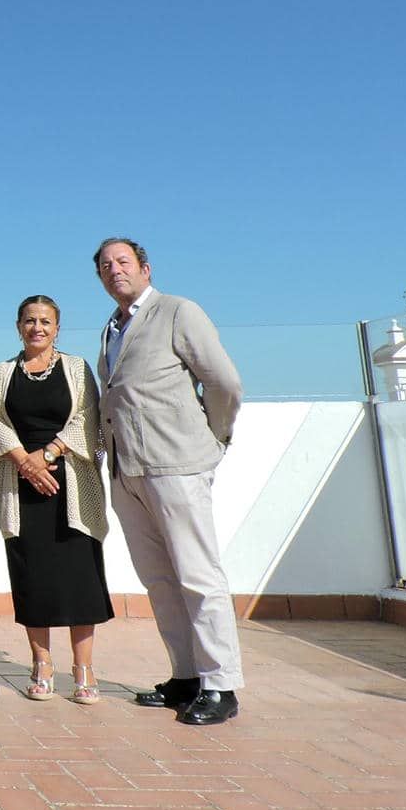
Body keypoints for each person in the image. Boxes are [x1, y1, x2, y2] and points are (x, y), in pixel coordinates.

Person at [94, 237, 244, 725]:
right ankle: (186, 676)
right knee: (159, 579)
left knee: (198, 576)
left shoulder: (178, 311)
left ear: (144, 267)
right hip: (128, 470)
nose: (115, 270)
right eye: (105, 266)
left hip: (176, 465)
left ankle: (221, 683)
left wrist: (213, 439)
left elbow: (223, 381)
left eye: (123, 262)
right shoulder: (112, 327)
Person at [0, 295, 113, 705]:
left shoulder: (76, 368)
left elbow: (87, 417)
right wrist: (26, 462)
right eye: (29, 321)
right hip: (21, 487)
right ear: (18, 326)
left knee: (80, 579)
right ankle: (41, 665)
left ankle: (84, 669)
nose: (37, 327)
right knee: (32, 577)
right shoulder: (3, 372)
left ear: (58, 328)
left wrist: (50, 454)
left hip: (71, 484)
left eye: (45, 321)